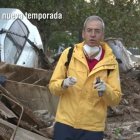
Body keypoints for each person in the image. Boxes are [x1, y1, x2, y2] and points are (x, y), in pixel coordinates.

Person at [49, 15, 122, 140]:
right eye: (89, 30)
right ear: (83, 33)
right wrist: (63, 84)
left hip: (92, 129)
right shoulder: (69, 54)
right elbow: (53, 87)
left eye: (97, 31)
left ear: (102, 35)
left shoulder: (111, 62)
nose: (92, 34)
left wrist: (106, 89)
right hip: (65, 124)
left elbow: (115, 99)